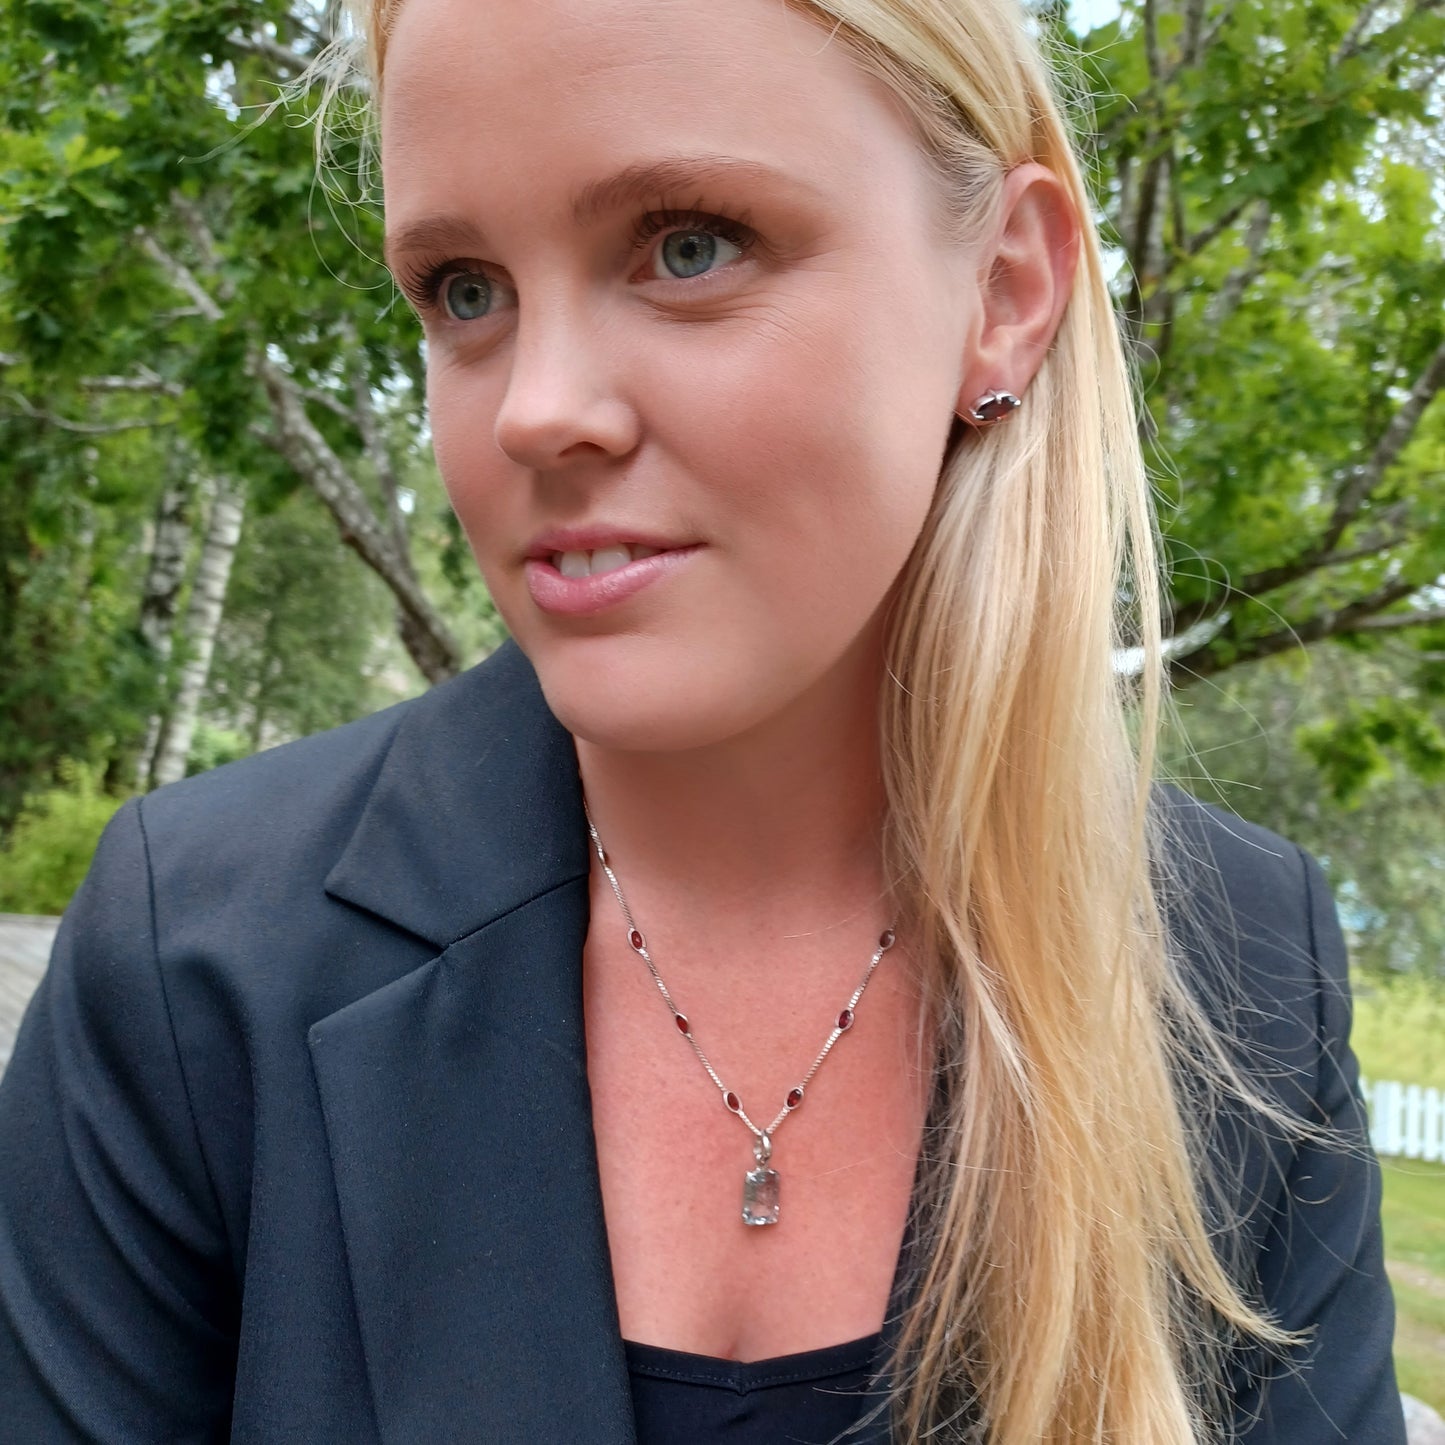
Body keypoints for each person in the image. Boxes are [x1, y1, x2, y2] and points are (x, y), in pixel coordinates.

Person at [0, 0, 1406, 1441]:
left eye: (689, 244)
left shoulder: (1236, 969)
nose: (536, 411)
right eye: (464, 288)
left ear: (1001, 288)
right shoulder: (200, 960)